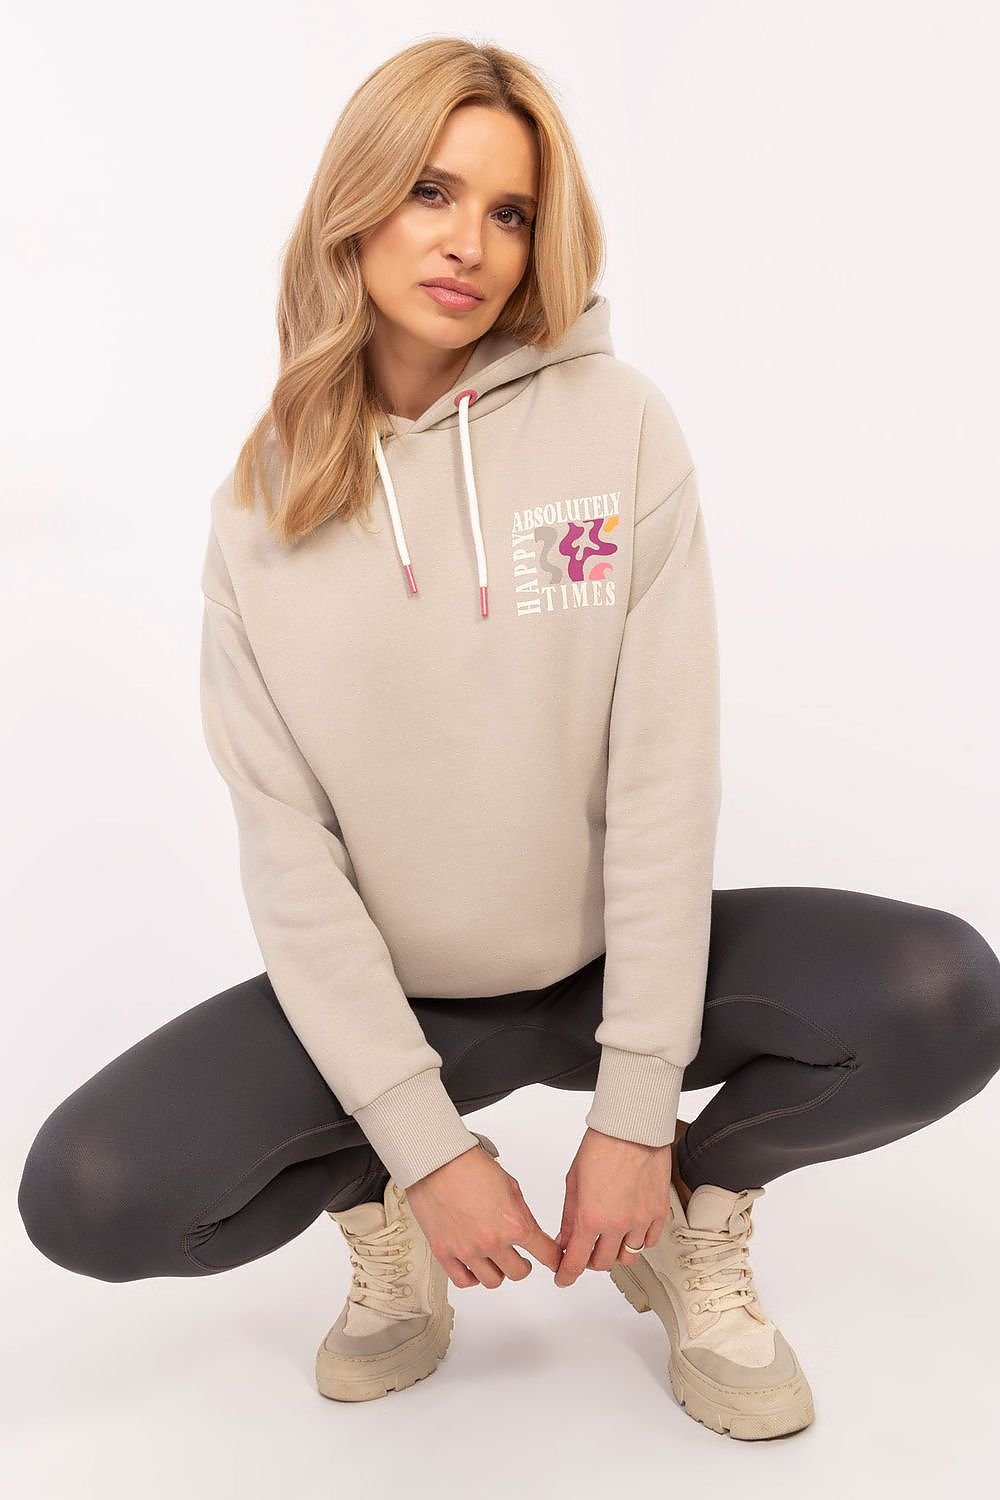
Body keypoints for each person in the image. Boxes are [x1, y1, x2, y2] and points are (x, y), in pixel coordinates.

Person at [17, 36, 1000, 1439]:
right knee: (91, 1192)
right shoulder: (259, 508)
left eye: (511, 210)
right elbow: (289, 858)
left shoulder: (620, 426)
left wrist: (639, 1120)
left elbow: (664, 779)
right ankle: (382, 1212)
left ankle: (690, 1214)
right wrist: (426, 1149)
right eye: (431, 191)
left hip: (611, 964)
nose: (468, 242)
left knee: (942, 990)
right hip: (401, 997)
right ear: (357, 203)